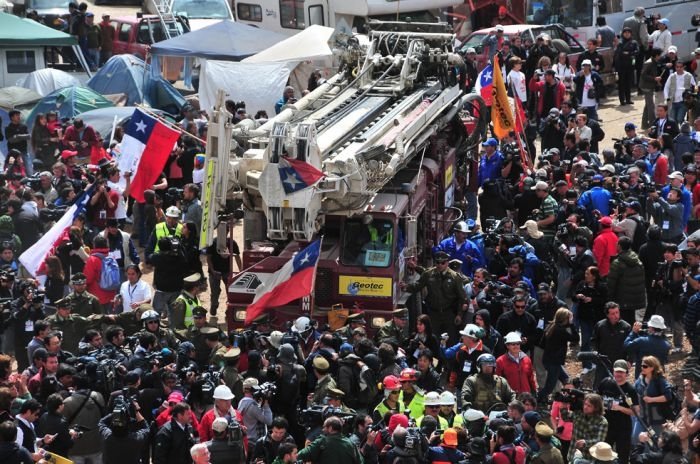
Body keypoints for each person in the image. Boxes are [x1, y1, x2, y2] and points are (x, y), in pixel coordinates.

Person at [597, 360, 638, 464]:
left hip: (623, 428)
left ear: (627, 374)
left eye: (621, 372)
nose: (618, 374)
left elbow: (635, 411)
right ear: (613, 371)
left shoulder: (630, 389)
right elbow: (597, 399)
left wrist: (619, 408)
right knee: (603, 455)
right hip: (606, 426)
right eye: (616, 371)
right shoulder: (605, 383)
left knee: (623, 457)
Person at [538, 308, 578, 403]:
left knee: (565, 379)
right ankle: (538, 399)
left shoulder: (550, 326)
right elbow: (575, 338)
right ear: (565, 318)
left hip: (549, 360)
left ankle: (567, 397)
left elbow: (541, 343)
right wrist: (572, 324)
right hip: (554, 362)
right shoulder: (560, 331)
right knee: (549, 387)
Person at [607, 236, 647, 323]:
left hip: (621, 299)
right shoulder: (638, 261)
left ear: (619, 246)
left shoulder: (617, 263)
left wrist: (609, 299)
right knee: (631, 321)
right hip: (635, 299)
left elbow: (611, 284)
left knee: (622, 323)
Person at [633, 355, 674, 439]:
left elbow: (668, 396)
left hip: (656, 419)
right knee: (635, 438)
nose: (642, 368)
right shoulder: (639, 380)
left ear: (652, 368)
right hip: (642, 418)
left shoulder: (660, 381)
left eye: (645, 366)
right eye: (641, 365)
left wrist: (652, 399)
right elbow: (634, 393)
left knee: (654, 442)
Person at [296, 416, 363, 464]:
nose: (323, 430)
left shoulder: (322, 441)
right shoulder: (351, 444)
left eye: (324, 427)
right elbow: (361, 461)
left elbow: (301, 455)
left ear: (330, 428)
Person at [614, 27, 640, 106]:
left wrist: (628, 53)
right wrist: (630, 53)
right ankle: (622, 100)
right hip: (621, 66)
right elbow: (620, 53)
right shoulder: (620, 43)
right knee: (621, 84)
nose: (627, 34)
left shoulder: (634, 42)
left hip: (630, 66)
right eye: (625, 32)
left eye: (629, 32)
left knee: (629, 83)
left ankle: (628, 99)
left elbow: (637, 51)